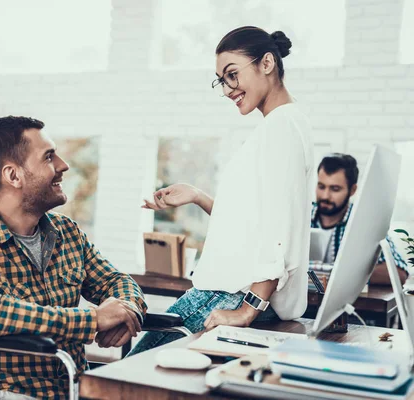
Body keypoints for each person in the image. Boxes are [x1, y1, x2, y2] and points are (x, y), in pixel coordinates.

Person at [128, 26, 314, 356]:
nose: (228, 89)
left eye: (232, 74)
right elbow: (255, 221)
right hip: (233, 295)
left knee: (121, 381)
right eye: (221, 80)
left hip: (225, 296)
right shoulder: (289, 122)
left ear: (267, 63)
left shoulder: (280, 128)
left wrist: (249, 307)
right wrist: (199, 196)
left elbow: (278, 228)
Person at [0, 116, 146, 399]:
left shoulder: (67, 231)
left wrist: (126, 309)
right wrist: (92, 319)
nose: (63, 165)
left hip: (72, 388)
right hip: (9, 394)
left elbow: (115, 280)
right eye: (49, 157)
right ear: (13, 176)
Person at [312, 153, 408, 284]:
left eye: (335, 189)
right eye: (321, 186)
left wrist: (340, 275)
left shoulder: (364, 222)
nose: (325, 196)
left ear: (352, 190)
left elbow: (398, 272)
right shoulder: (301, 216)